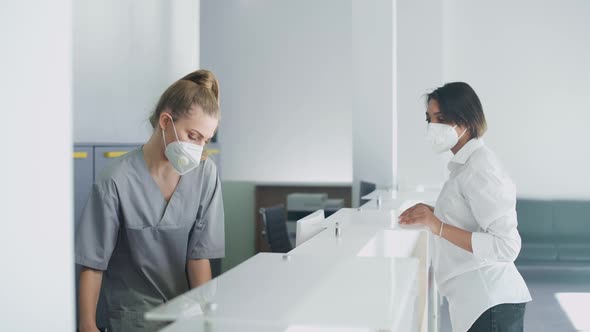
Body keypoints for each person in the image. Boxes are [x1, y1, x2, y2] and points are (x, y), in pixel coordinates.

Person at [75, 69, 225, 332]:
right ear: (166, 122)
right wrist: (87, 325)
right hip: (129, 319)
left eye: (206, 140)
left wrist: (206, 321)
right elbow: (93, 263)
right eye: (193, 136)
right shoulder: (115, 180)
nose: (199, 149)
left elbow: (198, 257)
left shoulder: (205, 174)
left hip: (182, 317)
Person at [399, 82, 531, 332]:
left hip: (491, 303)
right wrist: (433, 213)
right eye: (429, 119)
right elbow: (468, 217)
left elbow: (507, 246)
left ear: (465, 119)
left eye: (440, 119)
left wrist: (436, 225)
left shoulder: (480, 167)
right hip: (479, 305)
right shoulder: (465, 166)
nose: (432, 127)